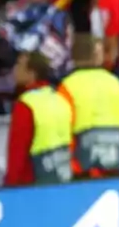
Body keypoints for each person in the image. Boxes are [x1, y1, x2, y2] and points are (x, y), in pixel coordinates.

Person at [57, 36, 119, 178]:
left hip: (81, 166)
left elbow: (62, 129)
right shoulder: (115, 82)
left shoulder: (68, 85)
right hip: (114, 160)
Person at [5, 51, 74, 187]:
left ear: (32, 73)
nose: (14, 69)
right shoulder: (61, 99)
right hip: (62, 177)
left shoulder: (26, 104)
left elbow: (17, 153)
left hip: (32, 184)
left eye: (19, 65)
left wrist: (10, 186)